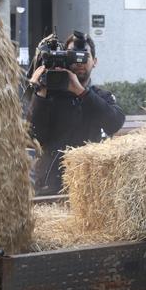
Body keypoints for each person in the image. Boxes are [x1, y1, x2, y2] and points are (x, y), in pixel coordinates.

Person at [27, 31, 125, 195]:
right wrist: (40, 94)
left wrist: (81, 92)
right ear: (64, 59)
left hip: (89, 187)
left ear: (95, 61)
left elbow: (114, 123)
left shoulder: (101, 97)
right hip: (50, 186)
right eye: (73, 56)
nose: (79, 62)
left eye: (84, 56)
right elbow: (33, 138)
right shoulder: (47, 97)